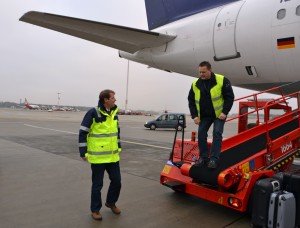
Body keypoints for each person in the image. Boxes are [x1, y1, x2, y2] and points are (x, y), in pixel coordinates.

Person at [79, 89, 122, 220]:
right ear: (106, 100)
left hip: (113, 157)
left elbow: (116, 132)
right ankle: (95, 210)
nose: (115, 99)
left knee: (117, 181)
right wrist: (83, 152)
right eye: (113, 97)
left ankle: (111, 202)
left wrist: (119, 147)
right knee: (97, 185)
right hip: (98, 157)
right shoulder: (93, 113)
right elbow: (83, 132)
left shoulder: (114, 113)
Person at [188, 61, 234, 169]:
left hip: (219, 114)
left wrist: (224, 112)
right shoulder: (195, 84)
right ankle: (203, 158)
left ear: (210, 70)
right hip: (204, 116)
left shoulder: (222, 80)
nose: (201, 74)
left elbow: (229, 97)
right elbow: (191, 101)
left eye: (204, 72)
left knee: (217, 133)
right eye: (200, 72)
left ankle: (213, 159)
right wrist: (194, 116)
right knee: (201, 134)